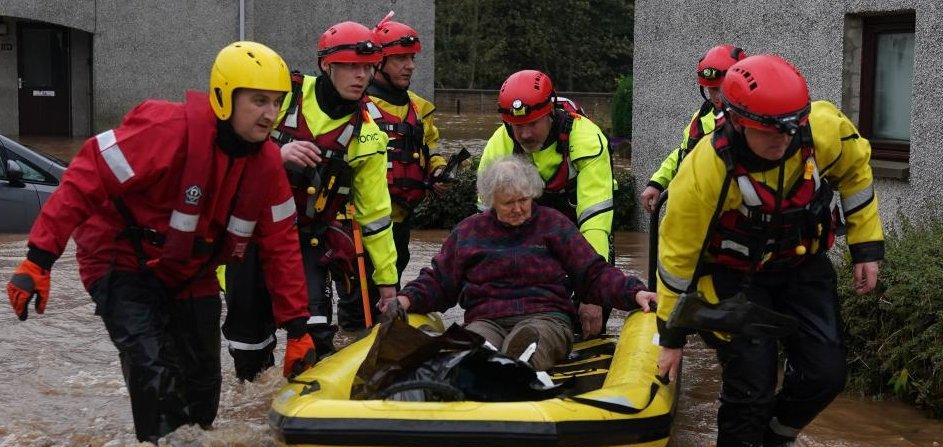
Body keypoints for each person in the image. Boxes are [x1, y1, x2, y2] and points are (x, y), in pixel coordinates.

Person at [5, 42, 314, 443]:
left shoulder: (268, 165)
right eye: (258, 101)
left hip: (190, 272)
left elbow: (281, 247)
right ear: (224, 96)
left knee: (205, 388)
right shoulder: (167, 130)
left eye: (276, 102)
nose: (270, 114)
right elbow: (85, 177)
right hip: (119, 261)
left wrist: (297, 328)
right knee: (153, 370)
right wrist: (38, 260)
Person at [654, 55, 884, 447]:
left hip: (800, 265)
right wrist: (671, 336)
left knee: (826, 374)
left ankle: (775, 441)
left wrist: (866, 247)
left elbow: (856, 173)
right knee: (752, 382)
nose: (784, 140)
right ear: (739, 122)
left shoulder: (823, 129)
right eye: (771, 131)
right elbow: (676, 258)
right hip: (730, 277)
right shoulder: (706, 169)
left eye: (792, 127)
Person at [221, 21, 397, 377]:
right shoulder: (283, 96)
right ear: (326, 65)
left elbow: (375, 215)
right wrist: (278, 152)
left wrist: (388, 283)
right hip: (250, 238)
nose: (361, 75)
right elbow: (227, 149)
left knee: (315, 334)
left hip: (308, 240)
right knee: (249, 348)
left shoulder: (369, 134)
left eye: (367, 67)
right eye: (351, 66)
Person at [385, 155, 655, 371]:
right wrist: (406, 299)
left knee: (527, 341)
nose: (518, 209)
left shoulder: (554, 224)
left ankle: (515, 369)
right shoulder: (468, 232)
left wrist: (634, 292)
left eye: (523, 200)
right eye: (508, 203)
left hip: (546, 318)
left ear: (533, 194)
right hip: (487, 319)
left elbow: (593, 273)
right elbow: (440, 280)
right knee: (474, 346)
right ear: (491, 202)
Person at [480, 70, 616, 339]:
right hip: (528, 226)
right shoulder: (499, 144)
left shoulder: (586, 139)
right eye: (517, 126)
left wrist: (592, 295)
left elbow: (595, 223)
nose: (525, 134)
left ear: (550, 113)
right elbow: (485, 226)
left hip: (578, 224)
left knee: (592, 311)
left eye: (533, 124)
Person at [335, 13, 447, 332]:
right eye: (400, 59)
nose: (410, 65)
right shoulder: (356, 103)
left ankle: (379, 340)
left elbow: (431, 147)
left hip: (399, 218)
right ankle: (351, 344)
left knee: (390, 290)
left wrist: (438, 171)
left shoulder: (418, 108)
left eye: (411, 58)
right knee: (357, 300)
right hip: (358, 221)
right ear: (379, 61)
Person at [641, 44, 747, 213]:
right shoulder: (701, 117)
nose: (717, 96)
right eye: (712, 89)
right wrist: (656, 183)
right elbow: (683, 153)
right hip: (700, 210)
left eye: (722, 88)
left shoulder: (753, 120)